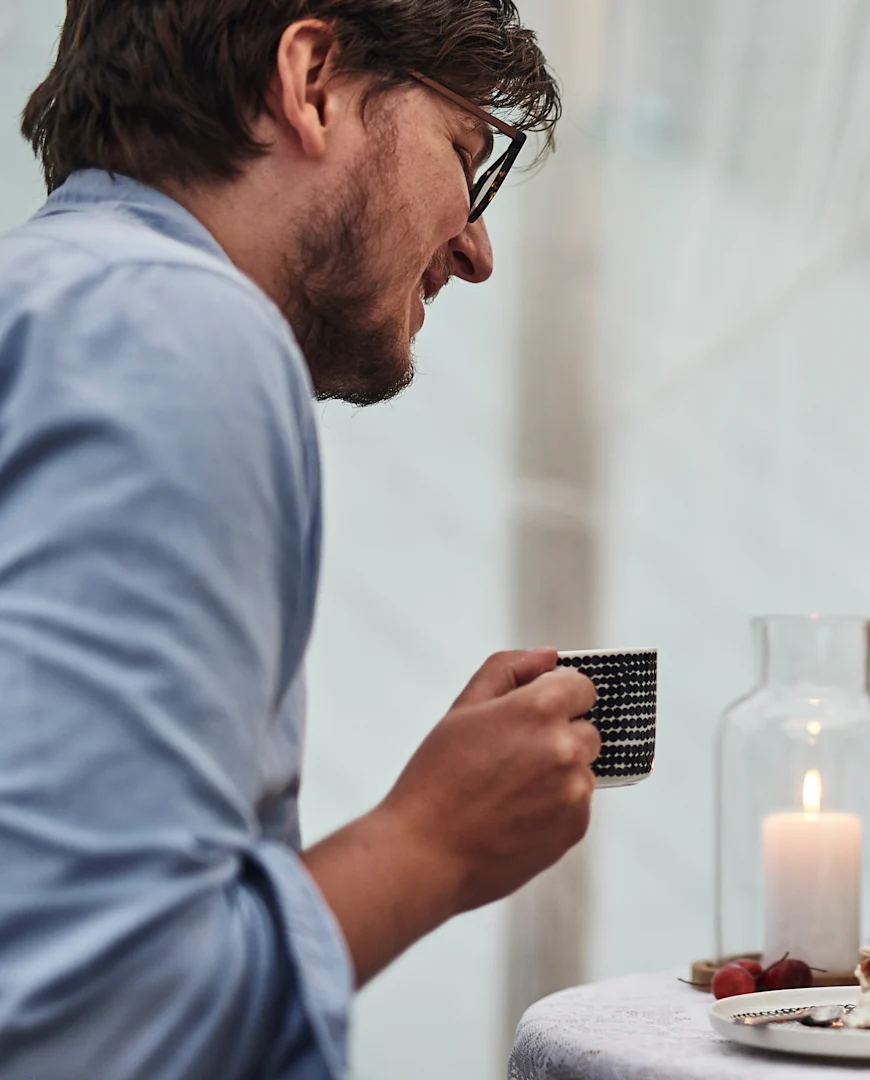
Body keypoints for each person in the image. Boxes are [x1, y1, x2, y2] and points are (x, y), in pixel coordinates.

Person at [0, 3, 602, 1076]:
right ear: (313, 79)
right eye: (466, 153)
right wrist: (431, 842)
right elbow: (97, 1019)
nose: (476, 249)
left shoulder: (56, 303)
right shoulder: (178, 330)